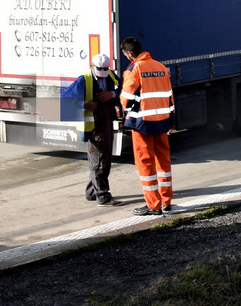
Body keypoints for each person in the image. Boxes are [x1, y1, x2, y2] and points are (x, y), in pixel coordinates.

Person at [119, 36, 176, 216]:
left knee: (145, 163)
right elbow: (169, 95)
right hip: (163, 120)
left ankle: (153, 205)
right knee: (163, 161)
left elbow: (125, 98)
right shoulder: (160, 67)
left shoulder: (134, 69)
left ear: (129, 54)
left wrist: (126, 111)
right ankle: (166, 201)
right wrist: (171, 119)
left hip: (142, 123)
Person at [64, 53, 122, 206]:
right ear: (92, 66)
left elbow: (124, 88)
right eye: (100, 70)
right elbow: (64, 101)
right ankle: (102, 196)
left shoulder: (110, 75)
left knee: (105, 160)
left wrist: (112, 94)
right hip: (94, 127)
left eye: (105, 70)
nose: (103, 74)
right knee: (99, 162)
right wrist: (84, 105)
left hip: (106, 123)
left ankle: (92, 192)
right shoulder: (83, 80)